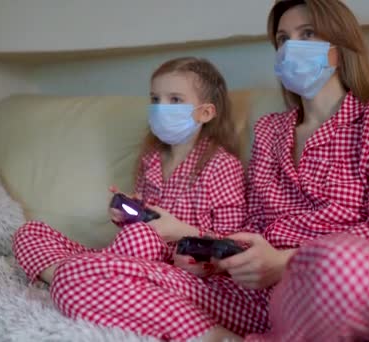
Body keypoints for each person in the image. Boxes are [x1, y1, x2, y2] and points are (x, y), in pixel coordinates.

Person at [49, 1, 369, 341]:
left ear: (339, 47)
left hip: (339, 282)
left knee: (349, 264)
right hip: (258, 293)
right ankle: (220, 336)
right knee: (75, 277)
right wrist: (213, 250)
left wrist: (286, 262)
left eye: (307, 34)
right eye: (283, 39)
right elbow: (251, 227)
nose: (290, 47)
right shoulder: (271, 130)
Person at [13, 57, 248, 285]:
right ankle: (75, 279)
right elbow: (140, 227)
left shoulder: (222, 165)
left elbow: (232, 243)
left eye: (175, 100)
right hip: (131, 259)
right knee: (30, 232)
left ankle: (80, 279)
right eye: (155, 99)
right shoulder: (151, 159)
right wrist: (127, 215)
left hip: (180, 274)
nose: (160, 108)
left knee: (141, 237)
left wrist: (180, 231)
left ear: (205, 112)